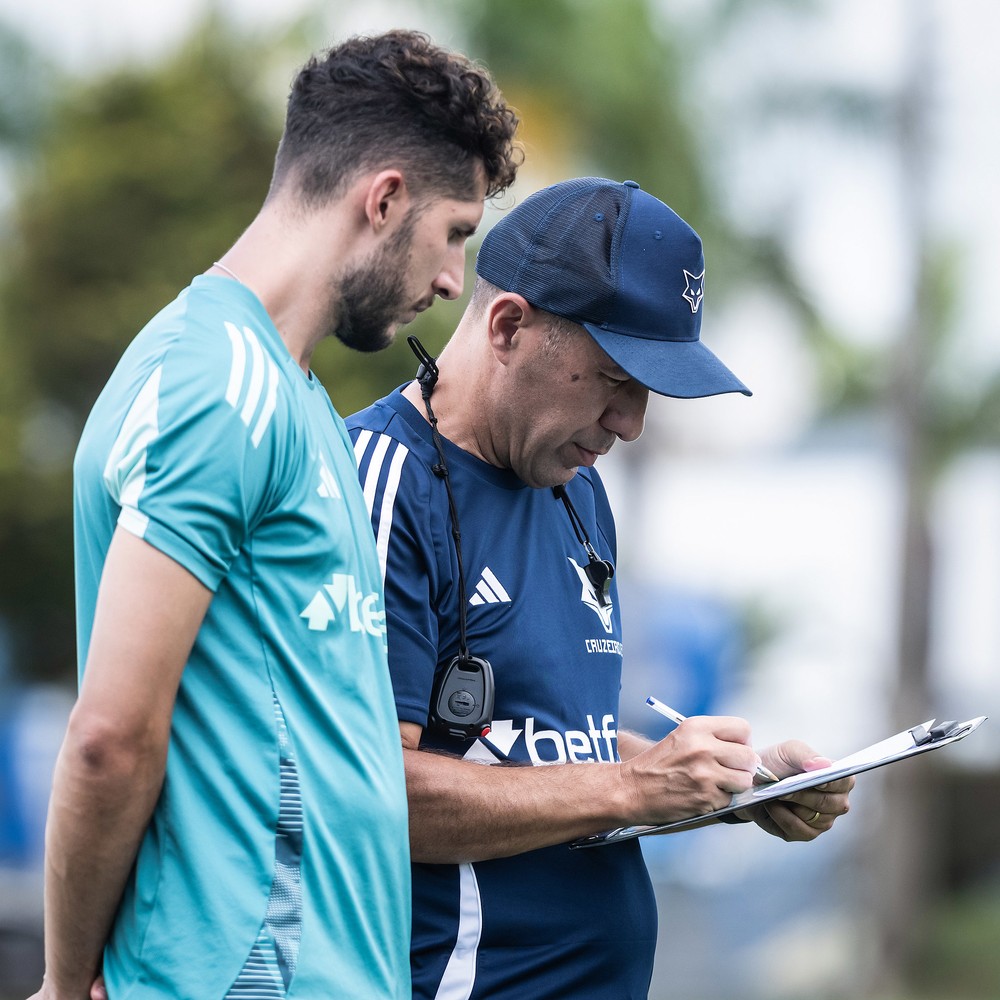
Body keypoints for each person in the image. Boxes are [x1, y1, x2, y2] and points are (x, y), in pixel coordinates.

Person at [31, 30, 520, 1000]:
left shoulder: (293, 401)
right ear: (382, 200)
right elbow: (110, 735)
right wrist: (61, 977)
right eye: (455, 232)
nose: (451, 281)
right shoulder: (219, 387)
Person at [348, 176, 856, 999]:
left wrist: (731, 782)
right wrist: (632, 786)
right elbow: (365, 790)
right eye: (617, 379)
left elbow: (550, 745)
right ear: (510, 326)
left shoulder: (576, 489)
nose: (633, 424)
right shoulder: (380, 481)